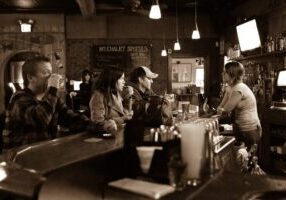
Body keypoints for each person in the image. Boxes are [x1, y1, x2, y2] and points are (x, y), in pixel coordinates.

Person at [2, 55, 93, 150]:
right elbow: (41, 119)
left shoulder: (52, 98)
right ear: (30, 78)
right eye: (45, 73)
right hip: (18, 159)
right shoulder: (19, 97)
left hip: (44, 154)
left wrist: (95, 125)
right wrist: (53, 88)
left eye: (51, 72)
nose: (51, 76)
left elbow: (69, 117)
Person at [217, 61, 261, 149]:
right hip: (239, 127)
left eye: (225, 72)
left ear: (232, 74)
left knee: (246, 157)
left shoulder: (239, 88)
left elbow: (226, 109)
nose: (222, 73)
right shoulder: (229, 87)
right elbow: (221, 107)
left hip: (250, 129)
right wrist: (219, 112)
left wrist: (216, 114)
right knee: (239, 156)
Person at [89, 67, 133, 133]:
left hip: (118, 133)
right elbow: (98, 122)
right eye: (121, 79)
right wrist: (123, 119)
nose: (124, 82)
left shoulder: (116, 93)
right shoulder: (98, 95)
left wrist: (129, 97)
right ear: (112, 79)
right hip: (106, 136)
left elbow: (125, 113)